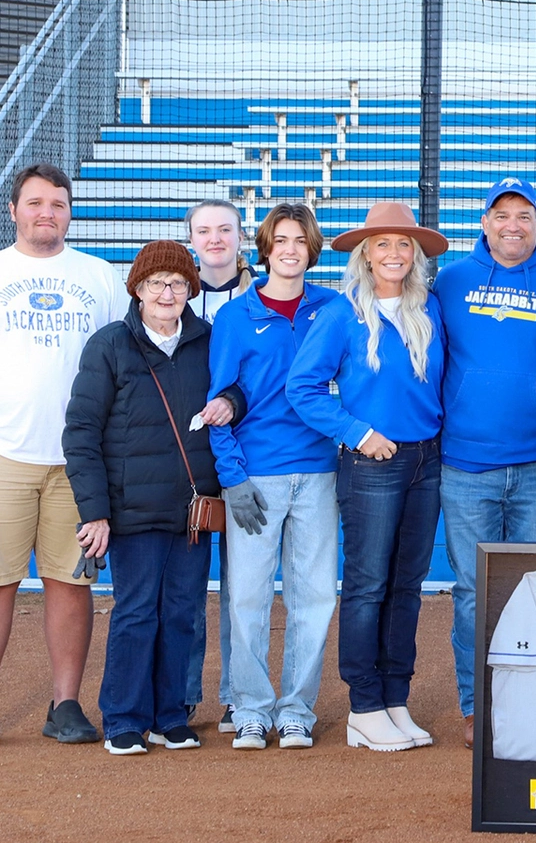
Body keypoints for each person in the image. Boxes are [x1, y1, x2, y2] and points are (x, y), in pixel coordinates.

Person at [61, 241, 236, 755]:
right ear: (137, 289)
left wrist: (232, 399)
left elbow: (240, 389)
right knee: (137, 611)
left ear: (191, 291)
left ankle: (169, 715)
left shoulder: (209, 341)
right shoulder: (110, 345)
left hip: (192, 510)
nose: (167, 292)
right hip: (131, 510)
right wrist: (95, 511)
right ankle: (123, 718)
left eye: (178, 283)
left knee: (182, 611)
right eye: (156, 282)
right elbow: (82, 431)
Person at [288, 203, 448, 752]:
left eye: (405, 245)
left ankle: (394, 698)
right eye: (382, 244)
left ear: (417, 255)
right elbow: (303, 387)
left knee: (407, 585)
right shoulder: (340, 314)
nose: (395, 254)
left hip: (427, 462)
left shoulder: (429, 309)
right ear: (365, 254)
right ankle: (363, 705)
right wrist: (357, 432)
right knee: (367, 585)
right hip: (372, 464)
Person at [433, 178, 536, 748]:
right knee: (473, 591)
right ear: (485, 221)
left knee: (535, 588)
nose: (512, 224)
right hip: (466, 465)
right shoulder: (452, 281)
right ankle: (479, 706)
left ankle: (531, 701)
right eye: (502, 214)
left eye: (524, 215)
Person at [206, 203, 339, 750]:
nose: (290, 249)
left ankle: (296, 710)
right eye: (280, 240)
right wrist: (232, 476)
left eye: (300, 240)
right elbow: (216, 401)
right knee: (247, 598)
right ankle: (251, 707)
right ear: (265, 248)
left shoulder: (333, 308)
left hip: (318, 473)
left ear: (312, 248)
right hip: (256, 476)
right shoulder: (235, 316)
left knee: (313, 597)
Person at [0, 164, 124, 744]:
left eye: (57, 203)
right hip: (6, 456)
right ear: (14, 210)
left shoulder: (98, 277)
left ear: (71, 211)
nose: (46, 211)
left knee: (69, 583)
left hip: (79, 461)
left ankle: (64, 705)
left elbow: (122, 366)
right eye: (35, 202)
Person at [184, 197, 254, 732]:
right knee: (185, 585)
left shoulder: (261, 295)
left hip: (246, 459)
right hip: (185, 464)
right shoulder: (169, 295)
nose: (215, 239)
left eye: (224, 229)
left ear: (240, 236)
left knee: (241, 586)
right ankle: (182, 694)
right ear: (192, 240)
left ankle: (236, 694)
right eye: (204, 230)